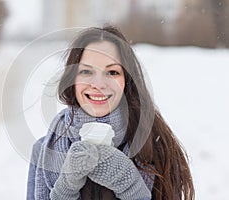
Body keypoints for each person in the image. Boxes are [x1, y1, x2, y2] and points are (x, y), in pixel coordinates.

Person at [27, 26, 195, 200]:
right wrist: (66, 187)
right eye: (86, 71)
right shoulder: (44, 151)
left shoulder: (157, 146)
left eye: (112, 72)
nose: (98, 84)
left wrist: (131, 185)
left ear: (127, 80)